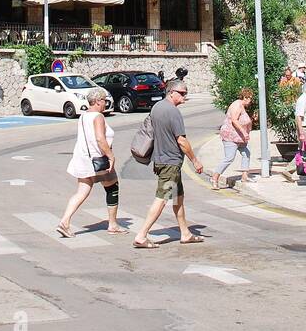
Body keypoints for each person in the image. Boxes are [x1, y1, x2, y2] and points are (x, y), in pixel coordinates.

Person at [132, 80, 204, 248]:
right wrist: (195, 160)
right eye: (182, 93)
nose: (185, 96)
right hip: (170, 163)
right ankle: (142, 235)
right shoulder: (173, 112)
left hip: (161, 160)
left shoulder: (157, 107)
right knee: (162, 199)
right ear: (171, 92)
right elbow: (182, 141)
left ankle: (185, 233)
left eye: (186, 93)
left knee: (178, 198)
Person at [57, 88, 122, 237]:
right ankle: (112, 224)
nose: (106, 103)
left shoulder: (83, 116)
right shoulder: (98, 116)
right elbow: (100, 139)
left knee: (81, 192)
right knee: (113, 186)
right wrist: (111, 156)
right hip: (98, 160)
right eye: (104, 100)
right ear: (98, 101)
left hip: (83, 159)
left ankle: (64, 222)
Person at [212, 87, 255, 189]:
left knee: (246, 153)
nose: (251, 101)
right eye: (250, 98)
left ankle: (244, 176)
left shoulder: (242, 106)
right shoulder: (237, 105)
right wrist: (244, 132)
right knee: (229, 158)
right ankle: (215, 177)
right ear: (246, 97)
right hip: (231, 136)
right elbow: (234, 121)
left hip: (239, 137)